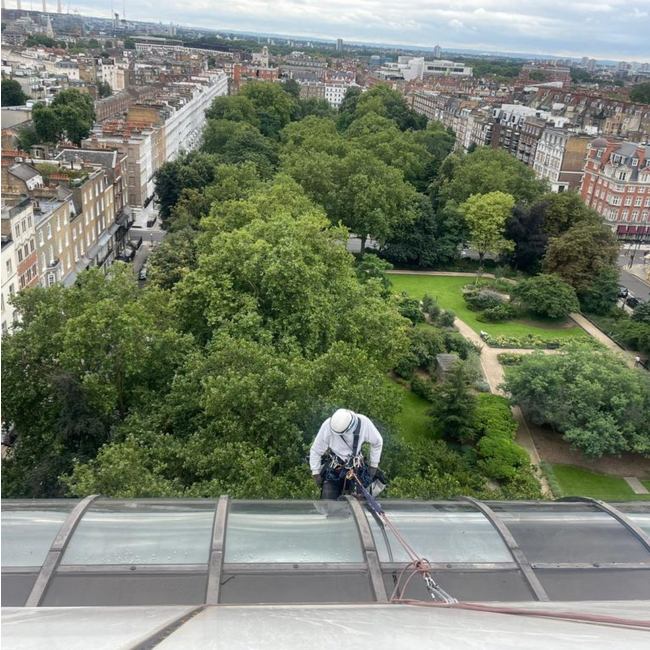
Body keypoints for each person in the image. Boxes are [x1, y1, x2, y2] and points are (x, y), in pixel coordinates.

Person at [309, 408, 383, 500]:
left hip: (356, 468)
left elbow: (377, 442)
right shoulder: (328, 426)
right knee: (327, 501)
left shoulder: (364, 423)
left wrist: (374, 465)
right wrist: (315, 471)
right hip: (335, 468)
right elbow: (316, 450)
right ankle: (331, 513)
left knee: (357, 501)